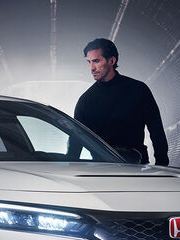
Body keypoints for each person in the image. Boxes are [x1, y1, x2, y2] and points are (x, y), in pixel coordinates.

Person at [72, 38, 169, 166]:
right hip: (101, 170)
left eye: (96, 61)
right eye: (89, 62)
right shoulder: (86, 100)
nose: (92, 67)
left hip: (137, 167)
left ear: (112, 60)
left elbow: (156, 130)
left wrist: (162, 166)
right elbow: (76, 140)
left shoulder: (139, 90)